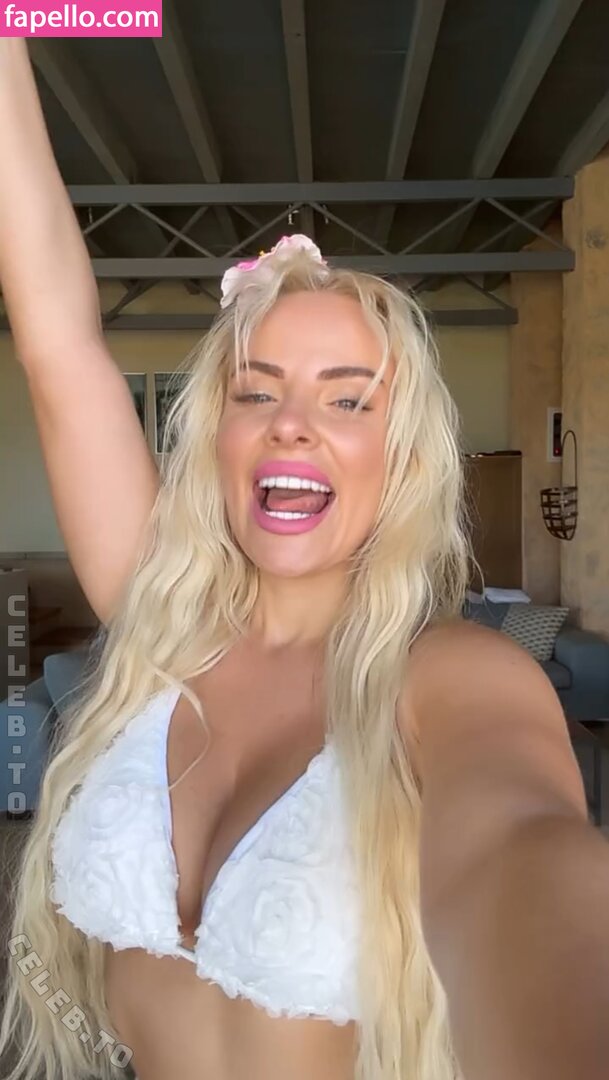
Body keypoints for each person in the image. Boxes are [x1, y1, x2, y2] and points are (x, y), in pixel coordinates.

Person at [2, 35, 609, 1080]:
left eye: (347, 400)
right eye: (257, 391)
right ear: (218, 437)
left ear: (400, 459)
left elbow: (525, 858)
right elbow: (56, 338)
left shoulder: (452, 677)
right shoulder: (161, 621)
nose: (291, 422)